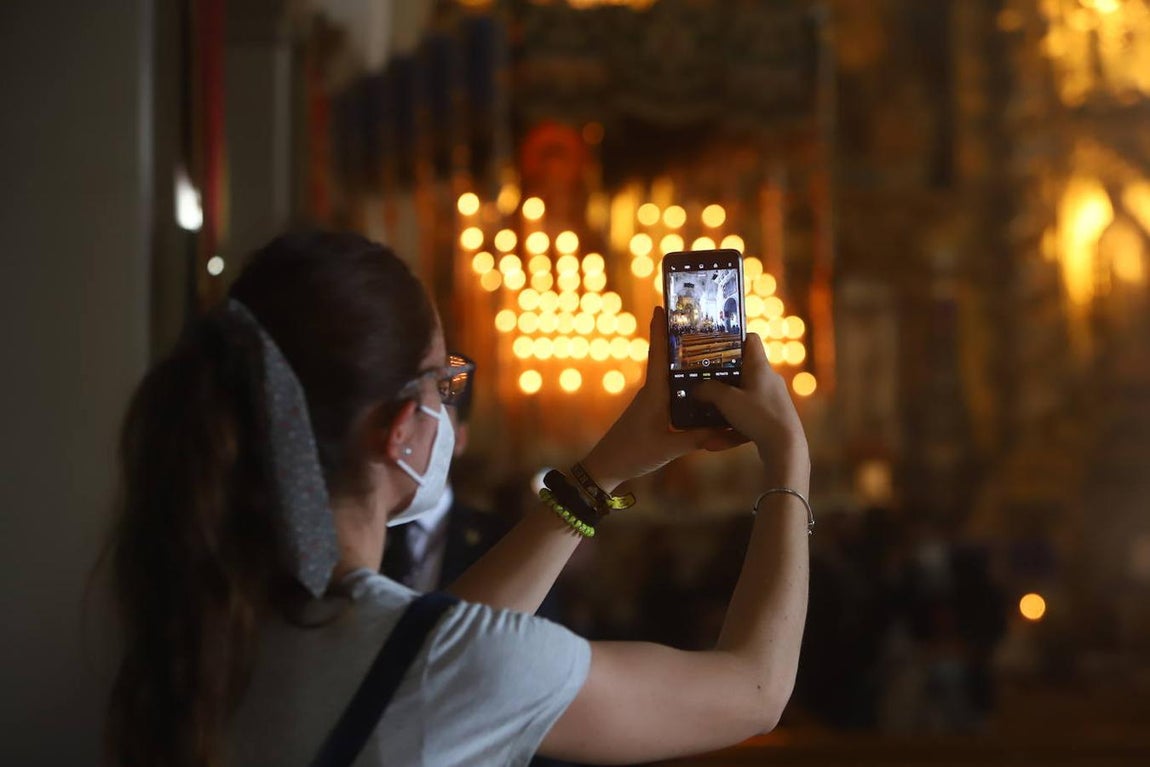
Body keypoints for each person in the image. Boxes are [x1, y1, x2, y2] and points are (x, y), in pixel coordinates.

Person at [106, 231, 811, 766]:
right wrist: (789, 461)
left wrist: (609, 467)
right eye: (443, 386)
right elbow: (754, 690)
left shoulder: (212, 627)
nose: (447, 408)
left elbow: (439, 635)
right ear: (397, 429)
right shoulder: (460, 664)